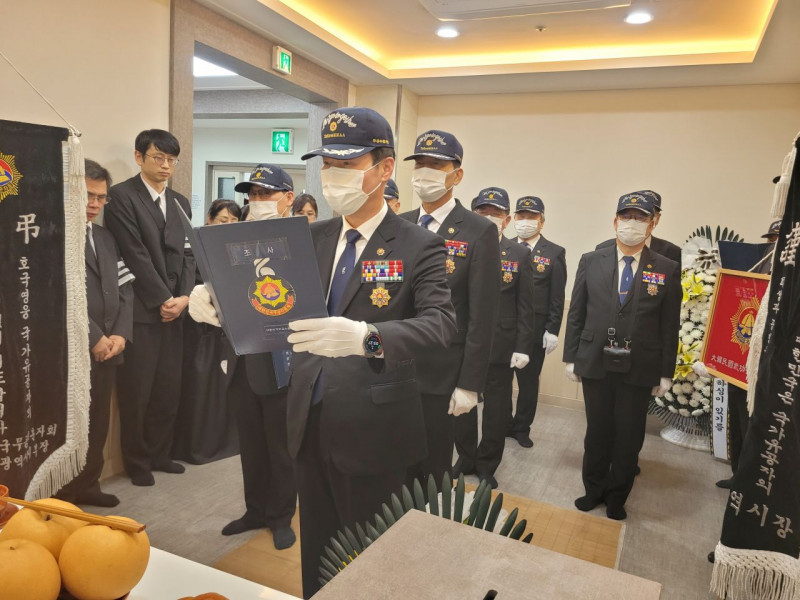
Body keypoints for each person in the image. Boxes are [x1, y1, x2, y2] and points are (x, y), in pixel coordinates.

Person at [284, 107, 456, 598]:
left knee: (372, 557)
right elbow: (272, 298)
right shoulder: (311, 237)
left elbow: (441, 324)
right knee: (318, 549)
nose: (333, 176)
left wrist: (367, 338)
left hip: (373, 428)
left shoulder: (420, 244)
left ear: (385, 169)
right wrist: (217, 301)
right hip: (309, 417)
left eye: (347, 164)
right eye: (327, 164)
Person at [191, 165, 298, 548]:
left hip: (283, 361)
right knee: (250, 444)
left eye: (265, 194)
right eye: (252, 195)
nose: (257, 201)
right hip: (241, 359)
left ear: (287, 198)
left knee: (280, 446)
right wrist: (205, 294)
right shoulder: (236, 242)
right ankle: (255, 510)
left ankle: (281, 516)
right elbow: (224, 285)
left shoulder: (300, 241)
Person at [564, 192, 681, 520]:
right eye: (626, 216)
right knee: (597, 431)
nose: (632, 223)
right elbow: (577, 312)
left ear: (651, 224)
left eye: (640, 217)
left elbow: (670, 324)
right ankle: (593, 489)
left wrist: (666, 372)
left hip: (641, 364)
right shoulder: (591, 260)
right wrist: (571, 356)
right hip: (595, 359)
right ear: (615, 222)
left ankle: (617, 496)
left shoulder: (667, 267)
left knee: (629, 436)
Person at [399, 129, 500, 485]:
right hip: (395, 366)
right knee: (395, 460)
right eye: (420, 164)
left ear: (457, 175)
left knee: (431, 467)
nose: (425, 172)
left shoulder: (479, 231)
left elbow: (482, 316)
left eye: (436, 164)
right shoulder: (400, 224)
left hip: (442, 372)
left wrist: (470, 384)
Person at [104, 129, 195, 486]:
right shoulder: (121, 196)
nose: (166, 165)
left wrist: (184, 298)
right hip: (142, 311)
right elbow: (133, 253)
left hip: (176, 312)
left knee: (167, 389)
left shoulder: (180, 202)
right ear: (139, 157)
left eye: (171, 159)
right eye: (159, 157)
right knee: (137, 391)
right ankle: (137, 461)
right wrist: (162, 299)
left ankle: (160, 453)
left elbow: (189, 255)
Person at [56, 159, 134, 507]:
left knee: (97, 421)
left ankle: (88, 485)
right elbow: (56, 296)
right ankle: (61, 494)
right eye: (88, 195)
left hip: (109, 349)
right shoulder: (52, 237)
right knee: (68, 424)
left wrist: (120, 334)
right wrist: (93, 337)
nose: (95, 204)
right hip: (70, 350)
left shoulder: (105, 237)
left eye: (101, 198)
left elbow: (125, 289)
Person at [454, 187, 534, 489]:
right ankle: (465, 458)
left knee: (496, 412)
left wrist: (523, 346)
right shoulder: (460, 247)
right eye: (482, 212)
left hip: (501, 347)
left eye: (496, 213)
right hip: (466, 343)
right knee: (461, 406)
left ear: (507, 219)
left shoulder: (519, 254)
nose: (489, 217)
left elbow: (526, 306)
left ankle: (487, 464)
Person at [506, 196, 567, 448]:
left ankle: (521, 428)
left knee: (528, 383)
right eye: (521, 216)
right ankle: (503, 423)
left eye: (531, 217)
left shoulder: (554, 252)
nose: (525, 221)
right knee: (501, 382)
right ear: (513, 218)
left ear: (542, 221)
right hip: (504, 327)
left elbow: (557, 295)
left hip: (534, 330)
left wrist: (552, 329)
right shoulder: (504, 246)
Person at [595, 189, 681, 263]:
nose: (633, 222)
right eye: (627, 216)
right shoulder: (603, 249)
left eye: (642, 216)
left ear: (657, 218)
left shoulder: (672, 252)